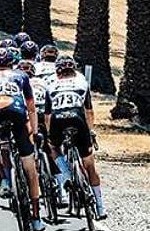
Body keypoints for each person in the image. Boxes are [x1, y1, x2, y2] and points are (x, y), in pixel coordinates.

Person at [0, 47, 46, 231]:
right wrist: (34, 132)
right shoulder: (22, 76)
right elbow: (31, 108)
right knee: (30, 168)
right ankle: (36, 217)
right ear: (13, 63)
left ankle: (3, 179)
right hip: (17, 113)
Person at [44, 55, 106, 219]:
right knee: (89, 165)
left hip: (58, 119)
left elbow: (48, 116)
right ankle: (100, 207)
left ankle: (65, 174)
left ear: (58, 71)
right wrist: (90, 131)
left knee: (53, 147)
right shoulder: (82, 82)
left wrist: (50, 134)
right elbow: (89, 111)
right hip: (78, 120)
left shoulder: (51, 85)